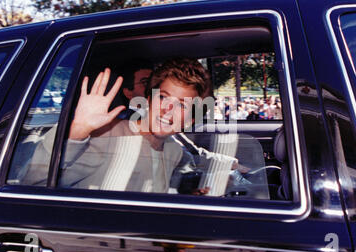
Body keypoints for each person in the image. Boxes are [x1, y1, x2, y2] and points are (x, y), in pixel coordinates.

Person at [58, 58, 239, 194]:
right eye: (163, 97)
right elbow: (38, 183)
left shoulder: (172, 151)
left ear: (190, 121)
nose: (168, 109)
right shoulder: (108, 135)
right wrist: (77, 132)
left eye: (182, 105)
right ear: (148, 100)